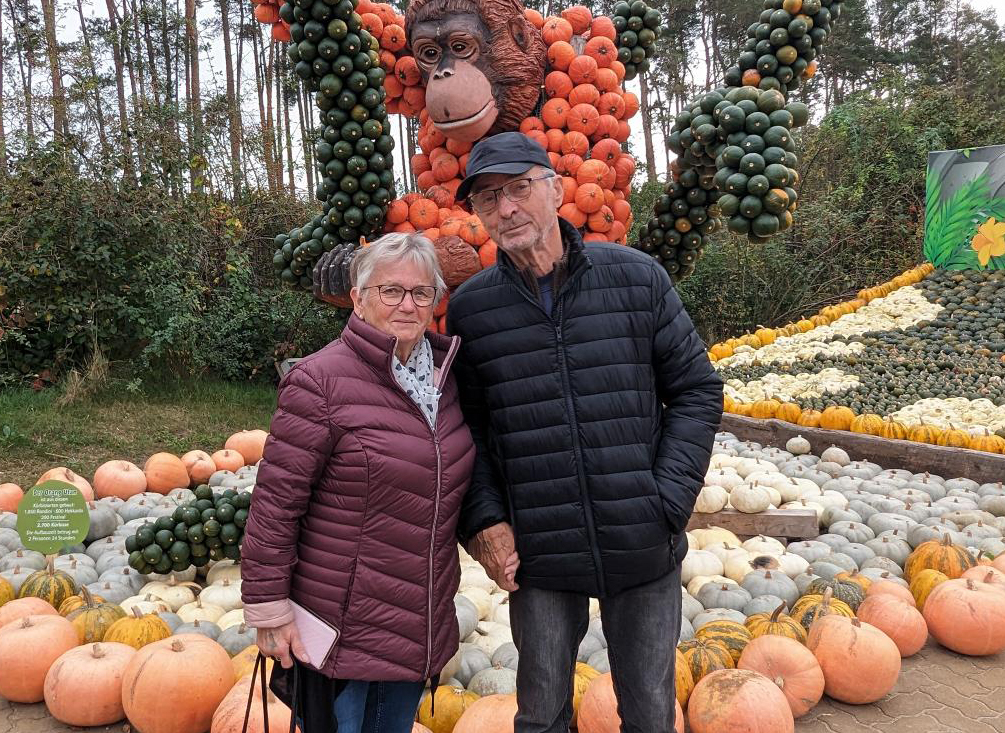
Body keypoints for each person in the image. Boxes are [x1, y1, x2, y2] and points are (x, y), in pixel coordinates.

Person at [445, 131, 724, 733]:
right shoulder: (472, 310)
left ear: (554, 189)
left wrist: (668, 500)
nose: (506, 208)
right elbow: (468, 429)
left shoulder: (636, 279)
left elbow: (697, 390)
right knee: (542, 716)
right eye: (488, 198)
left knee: (649, 715)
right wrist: (485, 520)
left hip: (641, 539)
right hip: (539, 551)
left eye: (519, 188)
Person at [241, 233, 476, 733]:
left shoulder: (445, 380)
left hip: (417, 621)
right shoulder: (319, 382)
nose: (407, 304)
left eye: (421, 292)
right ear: (358, 298)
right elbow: (275, 506)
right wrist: (269, 609)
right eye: (390, 291)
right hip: (343, 625)